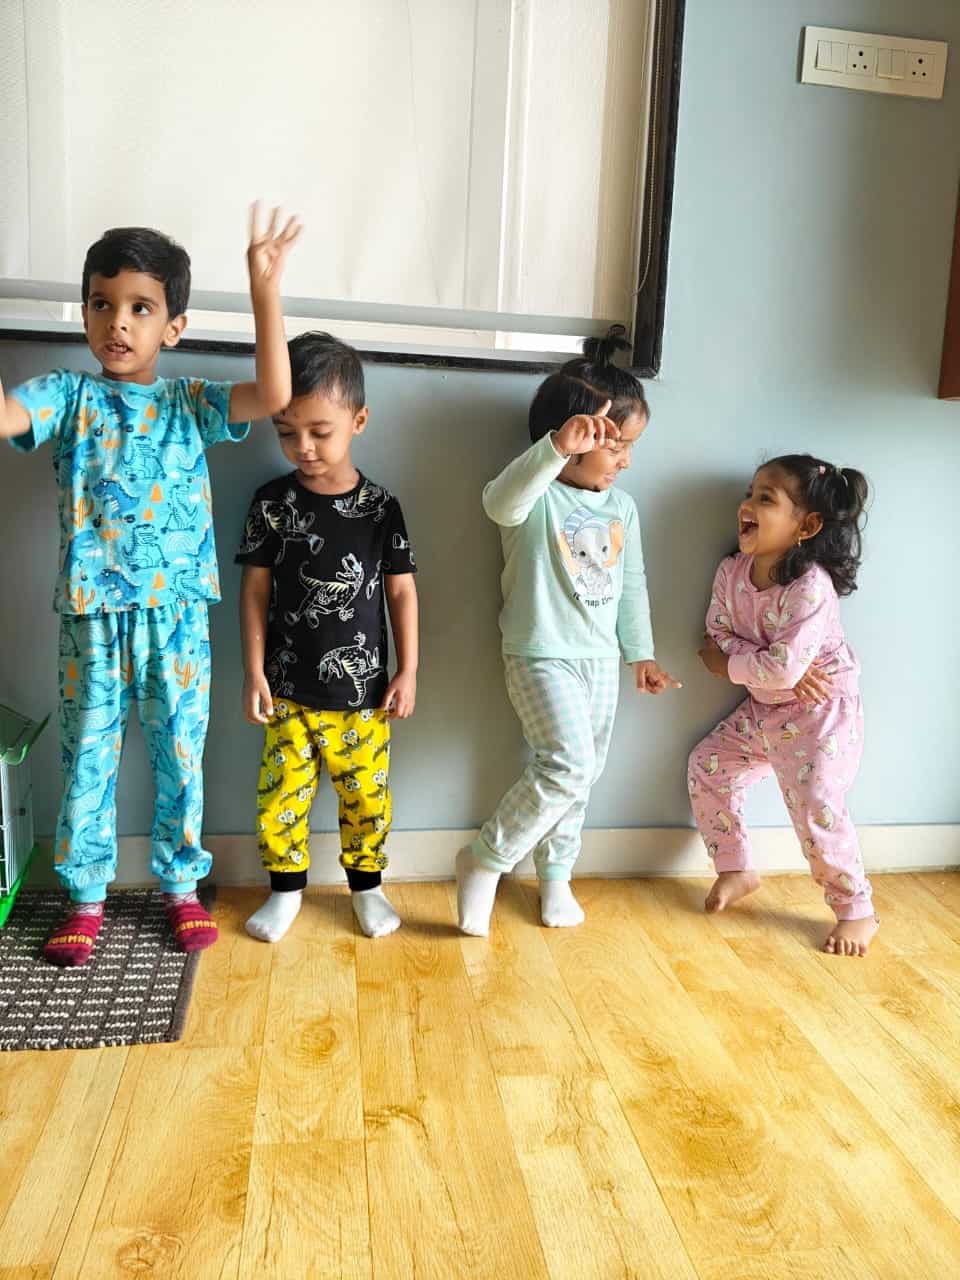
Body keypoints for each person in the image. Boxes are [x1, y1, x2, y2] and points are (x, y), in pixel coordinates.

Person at [0, 204, 300, 965]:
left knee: (180, 755)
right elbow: (5, 414)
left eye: (139, 307)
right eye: (102, 304)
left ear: (173, 325)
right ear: (84, 312)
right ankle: (87, 897)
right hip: (91, 618)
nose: (117, 323)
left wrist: (265, 291)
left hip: (175, 617)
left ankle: (178, 888)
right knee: (88, 760)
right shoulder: (66, 395)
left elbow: (271, 395)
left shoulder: (188, 402)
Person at [456, 327, 679, 937]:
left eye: (631, 446)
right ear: (575, 439)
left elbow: (631, 583)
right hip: (540, 652)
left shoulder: (622, 508)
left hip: (600, 659)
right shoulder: (534, 496)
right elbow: (499, 503)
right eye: (617, 446)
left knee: (584, 775)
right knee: (569, 765)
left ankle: (556, 875)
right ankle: (485, 860)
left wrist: (641, 654)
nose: (626, 460)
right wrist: (554, 449)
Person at [236, 331, 418, 942]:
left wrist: (409, 669)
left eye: (320, 430)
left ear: (358, 420)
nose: (303, 447)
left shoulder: (380, 508)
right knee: (280, 798)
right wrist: (254, 671)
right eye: (287, 432)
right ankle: (285, 893)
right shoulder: (270, 503)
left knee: (366, 796)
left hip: (363, 697)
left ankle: (367, 890)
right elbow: (255, 593)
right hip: (286, 691)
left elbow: (400, 592)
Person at [690, 454, 878, 956]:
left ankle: (856, 908)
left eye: (764, 499)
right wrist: (769, 665)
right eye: (749, 493)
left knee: (817, 805)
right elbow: (713, 640)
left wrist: (766, 667)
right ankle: (735, 866)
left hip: (821, 713)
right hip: (766, 709)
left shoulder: (811, 586)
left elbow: (739, 660)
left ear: (807, 525)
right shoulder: (732, 572)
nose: (745, 505)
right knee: (708, 766)